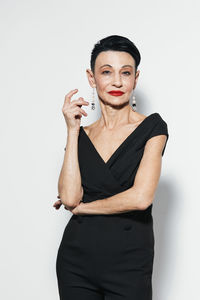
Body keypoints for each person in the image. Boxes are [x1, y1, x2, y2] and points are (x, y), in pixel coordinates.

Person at [53, 35, 169, 300]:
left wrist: (84, 208)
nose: (117, 81)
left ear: (135, 79)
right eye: (106, 72)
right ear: (92, 78)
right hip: (76, 261)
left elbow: (141, 198)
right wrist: (72, 131)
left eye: (125, 73)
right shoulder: (82, 136)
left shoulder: (153, 128)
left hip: (129, 262)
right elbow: (70, 197)